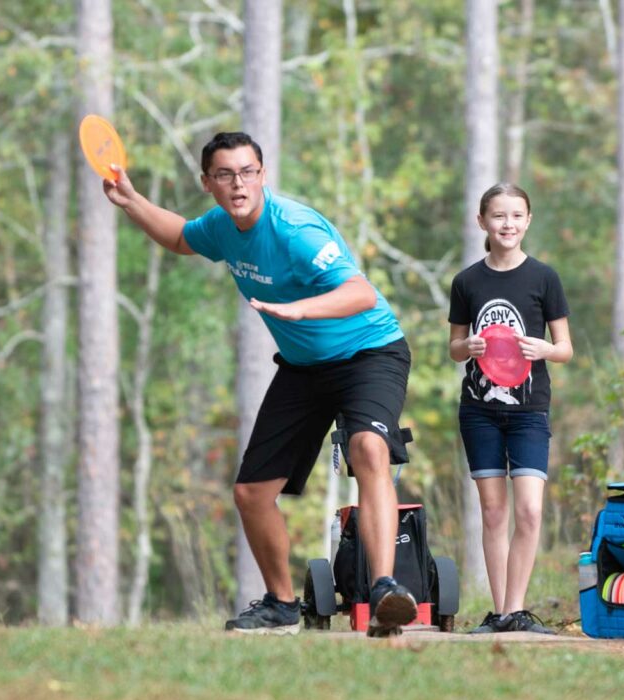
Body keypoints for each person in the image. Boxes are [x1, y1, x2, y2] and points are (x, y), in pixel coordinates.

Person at [102, 131, 417, 637]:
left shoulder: (294, 231)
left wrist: (299, 309)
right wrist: (132, 202)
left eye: (248, 171)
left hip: (369, 353)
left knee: (368, 449)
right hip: (303, 366)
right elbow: (183, 237)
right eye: (225, 174)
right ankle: (281, 605)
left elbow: (359, 292)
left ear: (263, 175)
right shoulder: (223, 228)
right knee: (250, 493)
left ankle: (383, 590)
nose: (237, 183)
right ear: (208, 183)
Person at [448, 183, 573, 634]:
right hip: (479, 410)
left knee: (530, 511)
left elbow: (566, 349)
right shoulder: (467, 282)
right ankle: (500, 614)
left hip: (529, 411)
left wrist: (544, 348)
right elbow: (454, 349)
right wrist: (469, 345)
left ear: (528, 221)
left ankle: (517, 610)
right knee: (494, 513)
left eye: (517, 215)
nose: (508, 224)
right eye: (499, 216)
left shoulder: (544, 278)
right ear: (481, 221)